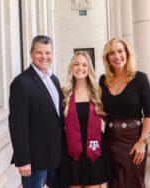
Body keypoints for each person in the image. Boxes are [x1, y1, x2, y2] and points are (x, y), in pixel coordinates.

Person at [8, 35, 63, 188]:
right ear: (31, 53)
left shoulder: (54, 80)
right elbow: (17, 125)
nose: (44, 57)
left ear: (52, 54)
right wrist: (23, 160)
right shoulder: (21, 83)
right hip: (35, 160)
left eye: (48, 52)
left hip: (56, 157)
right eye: (39, 52)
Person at [99, 38, 150, 188]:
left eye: (120, 51)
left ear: (127, 53)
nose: (117, 56)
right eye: (112, 53)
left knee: (133, 183)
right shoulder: (103, 80)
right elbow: (101, 110)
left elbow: (149, 112)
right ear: (107, 58)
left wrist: (142, 142)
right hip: (110, 140)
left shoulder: (140, 78)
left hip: (133, 140)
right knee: (114, 183)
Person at [58, 51, 111, 188]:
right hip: (71, 150)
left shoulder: (98, 92)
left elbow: (110, 116)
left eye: (84, 65)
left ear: (89, 69)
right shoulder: (64, 93)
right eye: (76, 64)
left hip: (94, 148)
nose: (80, 68)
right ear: (71, 67)